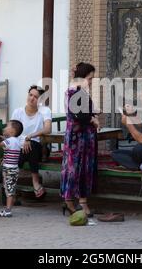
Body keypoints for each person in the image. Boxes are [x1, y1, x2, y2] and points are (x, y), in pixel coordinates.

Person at [61, 62, 100, 217]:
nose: (91, 81)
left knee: (80, 169)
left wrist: (93, 115)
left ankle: (78, 201)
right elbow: (79, 115)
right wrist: (92, 119)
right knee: (74, 169)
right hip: (78, 138)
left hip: (82, 137)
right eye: (90, 78)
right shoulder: (76, 91)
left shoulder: (78, 91)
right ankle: (71, 201)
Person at [11, 85, 52, 198]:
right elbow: (12, 133)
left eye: (36, 97)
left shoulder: (44, 111)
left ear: (40, 100)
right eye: (30, 95)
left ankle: (11, 183)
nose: (32, 98)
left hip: (39, 149)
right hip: (21, 148)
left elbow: (48, 129)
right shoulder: (18, 112)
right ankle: (35, 182)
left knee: (32, 145)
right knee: (25, 149)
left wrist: (29, 136)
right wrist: (25, 140)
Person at [0, 120, 24, 218]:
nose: (4, 128)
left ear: (12, 131)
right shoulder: (17, 141)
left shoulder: (9, 141)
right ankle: (9, 208)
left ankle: (7, 211)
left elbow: (0, 145)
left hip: (8, 170)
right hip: (14, 169)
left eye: (7, 126)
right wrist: (2, 138)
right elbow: (8, 143)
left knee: (8, 191)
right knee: (11, 188)